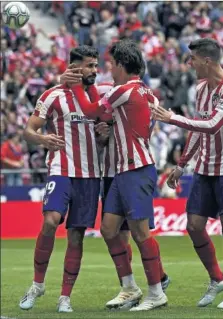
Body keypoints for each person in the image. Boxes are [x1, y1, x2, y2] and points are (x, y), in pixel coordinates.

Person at [60, 56, 171, 310]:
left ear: (122, 65)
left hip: (136, 168)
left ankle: (157, 290)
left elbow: (90, 111)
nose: (106, 69)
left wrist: (76, 83)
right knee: (109, 230)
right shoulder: (146, 92)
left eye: (111, 64)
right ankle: (130, 288)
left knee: (140, 233)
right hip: (119, 171)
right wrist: (108, 125)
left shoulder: (124, 89)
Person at [153, 38, 223, 309]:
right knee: (193, 226)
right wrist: (182, 164)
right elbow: (197, 128)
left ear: (206, 61)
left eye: (192, 59)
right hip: (205, 167)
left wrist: (171, 118)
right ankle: (216, 278)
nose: (189, 63)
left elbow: (213, 125)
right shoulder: (202, 86)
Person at [19, 45, 109, 313]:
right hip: (61, 168)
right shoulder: (53, 95)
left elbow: (101, 141)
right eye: (90, 65)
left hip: (91, 174)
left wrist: (103, 136)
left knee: (77, 236)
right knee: (50, 221)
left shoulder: (99, 99)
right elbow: (28, 131)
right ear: (74, 67)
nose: (94, 70)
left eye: (96, 65)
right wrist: (43, 139)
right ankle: (37, 284)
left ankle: (65, 297)